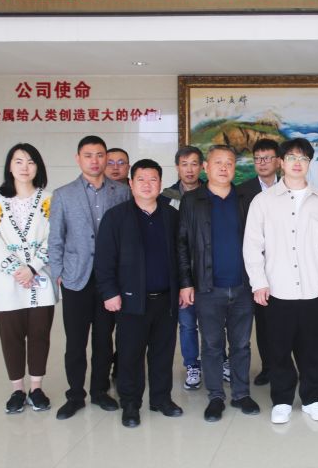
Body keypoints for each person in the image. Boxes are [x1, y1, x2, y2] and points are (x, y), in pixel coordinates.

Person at [243, 138, 318, 424]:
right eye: (291, 157)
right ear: (281, 162)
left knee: (312, 349)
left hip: (314, 289)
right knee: (278, 349)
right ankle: (282, 400)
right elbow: (252, 245)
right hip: (277, 290)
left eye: (303, 158)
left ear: (310, 163)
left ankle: (312, 398)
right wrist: (258, 282)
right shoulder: (263, 201)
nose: (297, 163)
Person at [95, 159, 184, 428]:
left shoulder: (171, 216)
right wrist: (110, 293)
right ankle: (130, 403)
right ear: (131, 184)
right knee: (130, 354)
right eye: (141, 179)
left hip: (166, 299)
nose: (147, 185)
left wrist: (184, 286)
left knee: (163, 353)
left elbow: (182, 256)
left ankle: (161, 399)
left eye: (153, 179)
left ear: (160, 184)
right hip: (131, 300)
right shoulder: (116, 217)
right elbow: (104, 260)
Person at [177, 145, 261, 422]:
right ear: (206, 167)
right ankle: (215, 396)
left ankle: (241, 393)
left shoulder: (247, 199)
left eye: (229, 163)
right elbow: (182, 244)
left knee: (241, 344)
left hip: (243, 286)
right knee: (212, 345)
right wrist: (186, 283)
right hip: (207, 287)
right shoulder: (192, 201)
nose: (224, 168)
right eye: (218, 162)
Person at [49, 135, 130, 420]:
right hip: (76, 278)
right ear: (78, 159)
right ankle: (75, 395)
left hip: (110, 280)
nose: (95, 161)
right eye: (88, 155)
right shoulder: (63, 194)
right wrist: (58, 273)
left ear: (106, 157)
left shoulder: (122, 192)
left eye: (100, 155)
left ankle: (99, 391)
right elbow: (55, 238)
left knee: (104, 340)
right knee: (75, 341)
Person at [0, 143, 56, 414]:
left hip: (39, 277)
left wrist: (33, 268)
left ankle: (36, 387)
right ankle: (17, 389)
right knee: (10, 336)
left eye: (31, 162)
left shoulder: (49, 199)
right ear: (9, 166)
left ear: (38, 167)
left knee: (39, 334)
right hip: (7, 279)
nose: (25, 167)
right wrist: (17, 269)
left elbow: (54, 237)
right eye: (18, 161)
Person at [158, 145, 206, 391]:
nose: (189, 169)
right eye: (184, 164)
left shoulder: (211, 193)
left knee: (214, 322)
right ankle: (192, 365)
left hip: (207, 270)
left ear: (202, 167)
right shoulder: (166, 197)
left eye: (194, 164)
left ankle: (220, 360)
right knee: (187, 323)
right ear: (177, 167)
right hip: (180, 271)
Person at [238, 137, 281, 387]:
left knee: (285, 320)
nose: (262, 163)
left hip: (284, 266)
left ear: (278, 161)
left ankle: (285, 365)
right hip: (255, 268)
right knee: (262, 322)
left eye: (267, 158)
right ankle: (268, 367)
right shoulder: (242, 191)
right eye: (257, 159)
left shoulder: (290, 188)